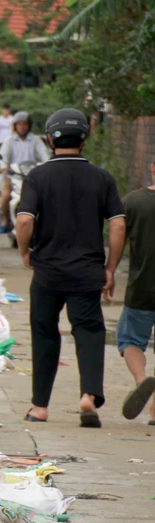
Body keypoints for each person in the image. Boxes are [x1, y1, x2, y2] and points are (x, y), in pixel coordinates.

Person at [16, 109, 126, 427]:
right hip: (87, 272)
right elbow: (118, 226)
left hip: (48, 271)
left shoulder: (37, 177)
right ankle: (89, 397)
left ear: (50, 139)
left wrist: (26, 252)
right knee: (89, 332)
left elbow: (24, 220)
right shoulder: (102, 178)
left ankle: (39, 407)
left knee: (44, 332)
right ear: (84, 139)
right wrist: (110, 267)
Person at [120, 159, 155, 424]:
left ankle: (142, 380)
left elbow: (118, 238)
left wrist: (107, 272)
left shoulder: (132, 203)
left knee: (130, 340)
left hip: (141, 287)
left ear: (152, 168)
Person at [0, 112, 50, 233]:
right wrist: (4, 167)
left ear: (29, 126)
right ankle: (5, 220)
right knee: (5, 196)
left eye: (25, 124)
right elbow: (3, 157)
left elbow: (44, 155)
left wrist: (47, 165)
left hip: (32, 176)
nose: (22, 127)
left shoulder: (36, 140)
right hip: (14, 175)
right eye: (19, 124)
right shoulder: (9, 140)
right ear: (15, 126)